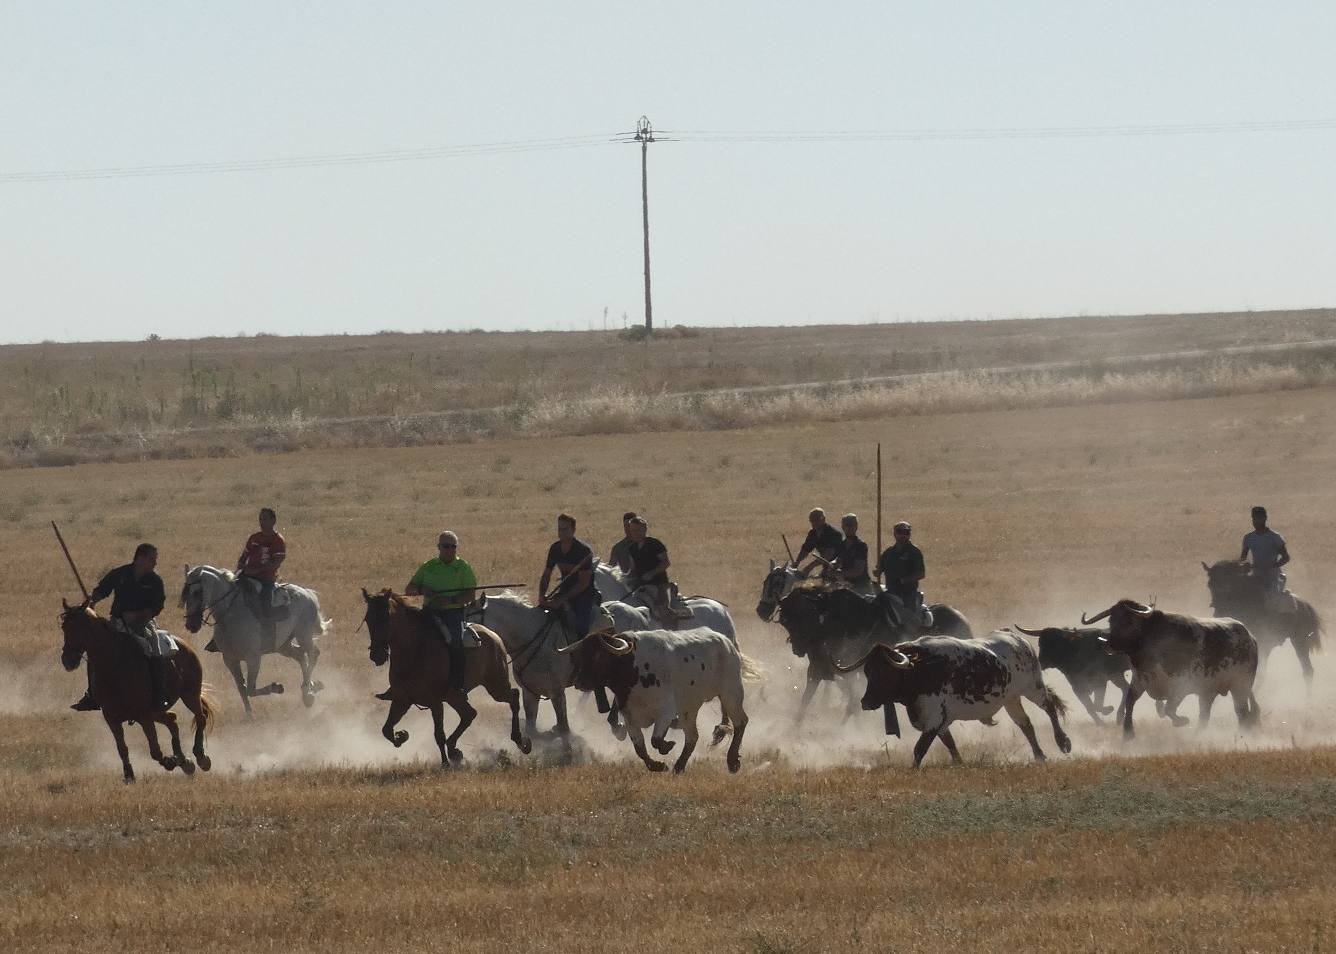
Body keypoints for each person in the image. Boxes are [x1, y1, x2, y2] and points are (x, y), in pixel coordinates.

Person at [375, 531, 477, 699]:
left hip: (453, 613)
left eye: (454, 547)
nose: (450, 550)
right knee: (405, 639)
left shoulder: (463, 568)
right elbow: (410, 589)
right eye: (446, 546)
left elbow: (470, 595)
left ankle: (458, 684)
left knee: (456, 642)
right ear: (438, 547)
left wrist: (450, 599)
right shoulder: (428, 566)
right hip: (429, 611)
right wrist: (422, 590)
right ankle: (397, 684)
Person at [71, 543, 170, 711]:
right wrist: (92, 601)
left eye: (155, 560)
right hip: (116, 624)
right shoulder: (121, 573)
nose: (154, 563)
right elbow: (103, 590)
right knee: (96, 650)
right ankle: (92, 695)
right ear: (140, 558)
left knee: (155, 650)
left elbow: (157, 606)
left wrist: (138, 616)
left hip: (144, 625)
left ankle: (159, 696)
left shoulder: (155, 581)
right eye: (151, 559)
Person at [539, 513, 598, 638]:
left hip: (584, 594)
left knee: (581, 628)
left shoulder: (583, 550)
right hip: (564, 590)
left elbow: (583, 583)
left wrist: (562, 599)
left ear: (573, 530)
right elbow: (546, 574)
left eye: (565, 529)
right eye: (559, 529)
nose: (561, 532)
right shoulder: (555, 548)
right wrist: (541, 596)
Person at [234, 507, 286, 649]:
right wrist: (240, 564)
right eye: (260, 519)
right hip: (247, 575)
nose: (262, 522)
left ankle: (268, 637)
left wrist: (257, 570)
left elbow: (276, 562)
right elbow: (245, 555)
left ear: (273, 520)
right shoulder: (254, 538)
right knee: (229, 595)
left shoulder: (277, 540)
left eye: (265, 519)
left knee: (265, 603)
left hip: (266, 579)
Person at [624, 516, 685, 626]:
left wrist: (651, 573)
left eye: (638, 530)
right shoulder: (632, 548)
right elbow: (632, 569)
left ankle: (672, 633)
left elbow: (666, 562)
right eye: (633, 531)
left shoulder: (655, 544)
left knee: (663, 608)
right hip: (641, 586)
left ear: (645, 529)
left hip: (660, 584)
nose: (635, 533)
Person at [1240, 505, 1292, 610]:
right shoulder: (1248, 538)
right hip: (1256, 575)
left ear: (1265, 518)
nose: (1255, 521)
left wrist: (1272, 566)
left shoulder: (1275, 537)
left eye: (1258, 518)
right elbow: (1243, 558)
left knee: (1273, 602)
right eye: (1253, 519)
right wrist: (1244, 566)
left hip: (1272, 577)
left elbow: (1286, 557)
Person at [877, 521, 926, 626]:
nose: (903, 535)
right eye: (900, 532)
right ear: (894, 533)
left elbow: (921, 573)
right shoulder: (888, 553)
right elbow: (880, 569)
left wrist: (903, 580)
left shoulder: (914, 552)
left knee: (910, 618)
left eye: (906, 532)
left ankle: (912, 633)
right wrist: (877, 572)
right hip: (890, 591)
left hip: (908, 592)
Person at [832, 513, 873, 595]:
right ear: (843, 527)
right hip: (846, 584)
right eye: (847, 525)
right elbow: (839, 560)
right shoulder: (841, 545)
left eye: (852, 525)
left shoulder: (861, 546)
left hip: (861, 586)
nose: (849, 528)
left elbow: (858, 571)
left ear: (856, 527)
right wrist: (833, 564)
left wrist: (839, 573)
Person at [607, 511, 638, 576]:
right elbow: (611, 567)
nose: (628, 529)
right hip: (625, 582)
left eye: (630, 525)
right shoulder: (618, 547)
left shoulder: (648, 544)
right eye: (625, 525)